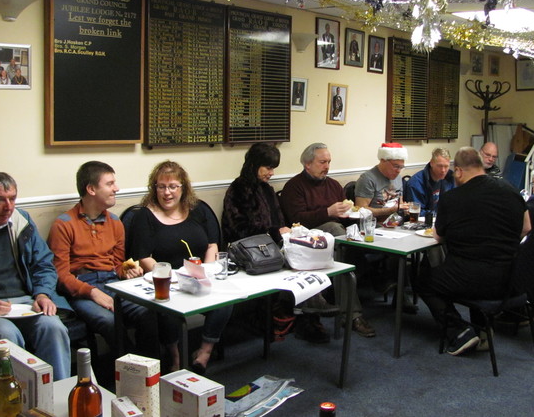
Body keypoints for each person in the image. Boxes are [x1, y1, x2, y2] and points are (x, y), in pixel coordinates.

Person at [417, 147, 530, 355]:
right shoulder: (511, 189)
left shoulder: (452, 199)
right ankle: (484, 328)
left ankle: (459, 332)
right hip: (512, 279)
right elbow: (526, 228)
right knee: (469, 271)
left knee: (424, 280)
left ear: (458, 171)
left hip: (471, 280)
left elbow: (438, 237)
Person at [48, 161, 161, 364]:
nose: (116, 188)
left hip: (112, 281)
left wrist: (127, 270)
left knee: (147, 311)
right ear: (91, 189)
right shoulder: (63, 225)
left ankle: (153, 369)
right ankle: (133, 368)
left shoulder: (115, 222)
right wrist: (91, 292)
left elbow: (117, 264)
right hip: (82, 287)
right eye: (110, 184)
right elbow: (61, 275)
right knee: (109, 320)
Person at [222, 143, 336, 343]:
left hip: (272, 246)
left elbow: (279, 221)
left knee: (307, 256)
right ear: (254, 165)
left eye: (273, 168)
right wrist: (274, 232)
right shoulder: (238, 189)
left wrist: (286, 232)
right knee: (297, 263)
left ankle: (309, 315)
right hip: (248, 251)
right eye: (268, 167)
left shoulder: (266, 189)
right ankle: (311, 312)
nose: (272, 173)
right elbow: (236, 230)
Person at [128, 160, 232, 373]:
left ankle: (204, 352)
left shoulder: (198, 209)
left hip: (199, 276)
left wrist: (207, 271)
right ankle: (175, 357)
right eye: (161, 187)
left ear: (183, 188)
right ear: (154, 188)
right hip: (167, 281)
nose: (167, 193)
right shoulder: (144, 216)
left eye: (173, 186)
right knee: (167, 308)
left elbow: (212, 243)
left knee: (226, 298)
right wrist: (169, 277)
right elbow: (142, 256)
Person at [280, 142, 376, 338]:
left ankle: (360, 282)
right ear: (307, 164)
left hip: (335, 238)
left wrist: (351, 213)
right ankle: (352, 315)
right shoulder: (294, 187)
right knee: (335, 231)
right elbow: (296, 220)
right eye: (322, 162)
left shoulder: (333, 185)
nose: (327, 166)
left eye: (329, 162)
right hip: (306, 240)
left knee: (350, 234)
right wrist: (327, 212)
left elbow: (343, 217)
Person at [0, 172, 71, 380]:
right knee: (6, 335)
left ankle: (55, 397)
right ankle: (13, 403)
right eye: (0, 200)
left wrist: (43, 294)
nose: (8, 206)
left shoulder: (21, 221)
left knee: (53, 327)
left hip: (25, 302)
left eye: (13, 198)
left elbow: (44, 264)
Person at [355, 142, 408, 220]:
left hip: (395, 222)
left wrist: (405, 208)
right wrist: (388, 211)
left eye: (401, 167)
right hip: (374, 224)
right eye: (396, 166)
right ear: (383, 161)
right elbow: (361, 210)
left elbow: (400, 202)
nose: (398, 171)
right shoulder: (367, 179)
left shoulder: (398, 178)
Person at [404, 147, 454, 216]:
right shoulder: (416, 182)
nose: (443, 170)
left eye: (446, 166)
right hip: (424, 221)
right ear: (431, 163)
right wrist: (438, 215)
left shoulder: (451, 178)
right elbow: (416, 211)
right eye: (439, 166)